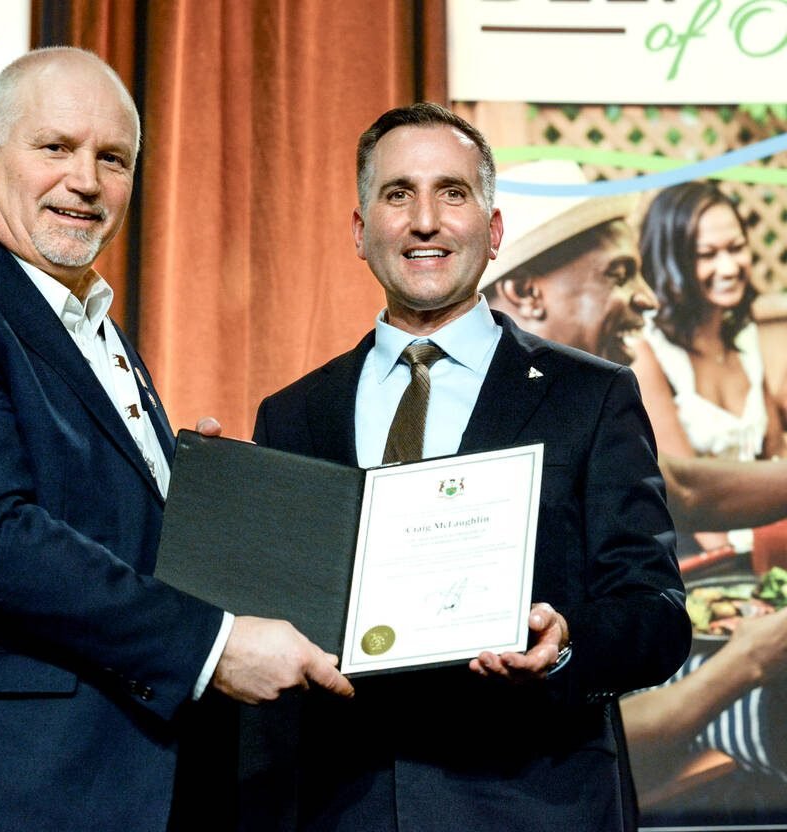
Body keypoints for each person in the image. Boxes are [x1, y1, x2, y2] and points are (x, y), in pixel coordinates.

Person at [0, 47, 352, 832]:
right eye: (56, 147)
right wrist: (215, 644)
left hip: (110, 786)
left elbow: (89, 514)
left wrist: (194, 496)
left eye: (113, 158)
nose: (85, 180)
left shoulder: (90, 324)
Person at [251, 105, 691, 832]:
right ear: (361, 233)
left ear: (491, 232)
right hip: (342, 809)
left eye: (452, 192)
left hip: (534, 806)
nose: (425, 220)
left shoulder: (593, 398)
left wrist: (565, 643)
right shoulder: (293, 415)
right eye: (398, 194)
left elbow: (657, 616)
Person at [480, 162, 787, 824]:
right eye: (619, 275)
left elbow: (677, 484)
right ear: (526, 291)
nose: (648, 300)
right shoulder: (492, 472)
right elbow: (565, 737)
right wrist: (746, 663)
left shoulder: (575, 406)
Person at [631, 182, 786, 552]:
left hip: (761, 543)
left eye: (736, 248)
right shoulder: (646, 352)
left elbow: (770, 459)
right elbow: (686, 498)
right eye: (707, 254)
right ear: (672, 261)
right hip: (698, 554)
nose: (729, 267)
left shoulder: (746, 336)